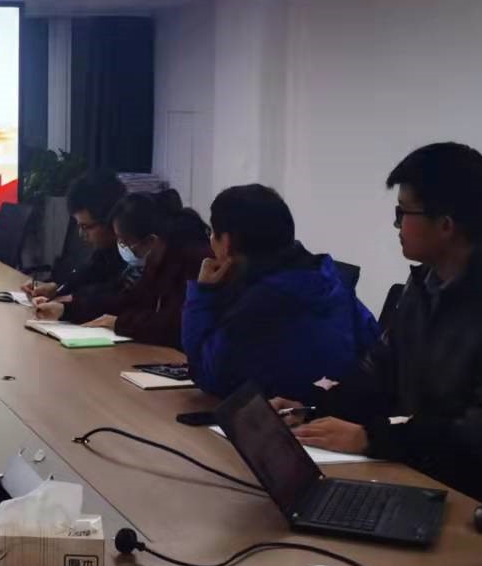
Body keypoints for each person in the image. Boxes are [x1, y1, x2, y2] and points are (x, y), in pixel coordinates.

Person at [295, 142, 482, 515]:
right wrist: (311, 408)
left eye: (403, 212)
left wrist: (371, 438)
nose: (396, 225)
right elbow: (378, 372)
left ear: (445, 225)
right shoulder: (426, 283)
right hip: (428, 475)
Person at [183, 184, 380, 402]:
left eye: (213, 234)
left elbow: (210, 375)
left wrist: (204, 294)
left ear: (227, 243)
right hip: (335, 413)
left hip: (283, 417)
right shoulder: (334, 283)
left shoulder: (258, 303)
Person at [45, 189, 209, 349]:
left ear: (151, 241)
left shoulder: (194, 260)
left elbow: (175, 324)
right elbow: (128, 300)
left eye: (123, 242)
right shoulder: (155, 258)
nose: (121, 248)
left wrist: (119, 323)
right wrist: (66, 310)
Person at [24, 170, 131, 312]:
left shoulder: (134, 255)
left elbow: (111, 296)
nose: (81, 234)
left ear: (111, 221)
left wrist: (67, 302)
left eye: (86, 227)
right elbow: (86, 275)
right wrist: (56, 288)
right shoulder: (105, 251)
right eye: (79, 226)